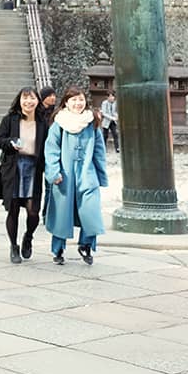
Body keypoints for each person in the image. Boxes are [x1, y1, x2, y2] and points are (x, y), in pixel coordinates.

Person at [43, 87, 108, 265]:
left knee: (90, 212)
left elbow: (99, 150)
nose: (78, 103)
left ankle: (86, 245)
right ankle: (58, 249)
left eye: (80, 100)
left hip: (87, 174)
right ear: (66, 102)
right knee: (62, 214)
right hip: (65, 175)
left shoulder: (91, 122)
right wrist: (53, 172)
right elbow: (51, 150)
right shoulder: (59, 123)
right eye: (73, 100)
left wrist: (101, 175)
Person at [0, 87, 47, 265]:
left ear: (37, 101)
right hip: (13, 169)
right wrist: (10, 143)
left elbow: (48, 147)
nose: (28, 102)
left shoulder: (43, 122)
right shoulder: (10, 120)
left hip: (34, 168)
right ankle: (13, 246)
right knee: (14, 210)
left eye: (32, 98)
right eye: (25, 98)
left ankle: (28, 236)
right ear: (19, 101)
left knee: (33, 211)